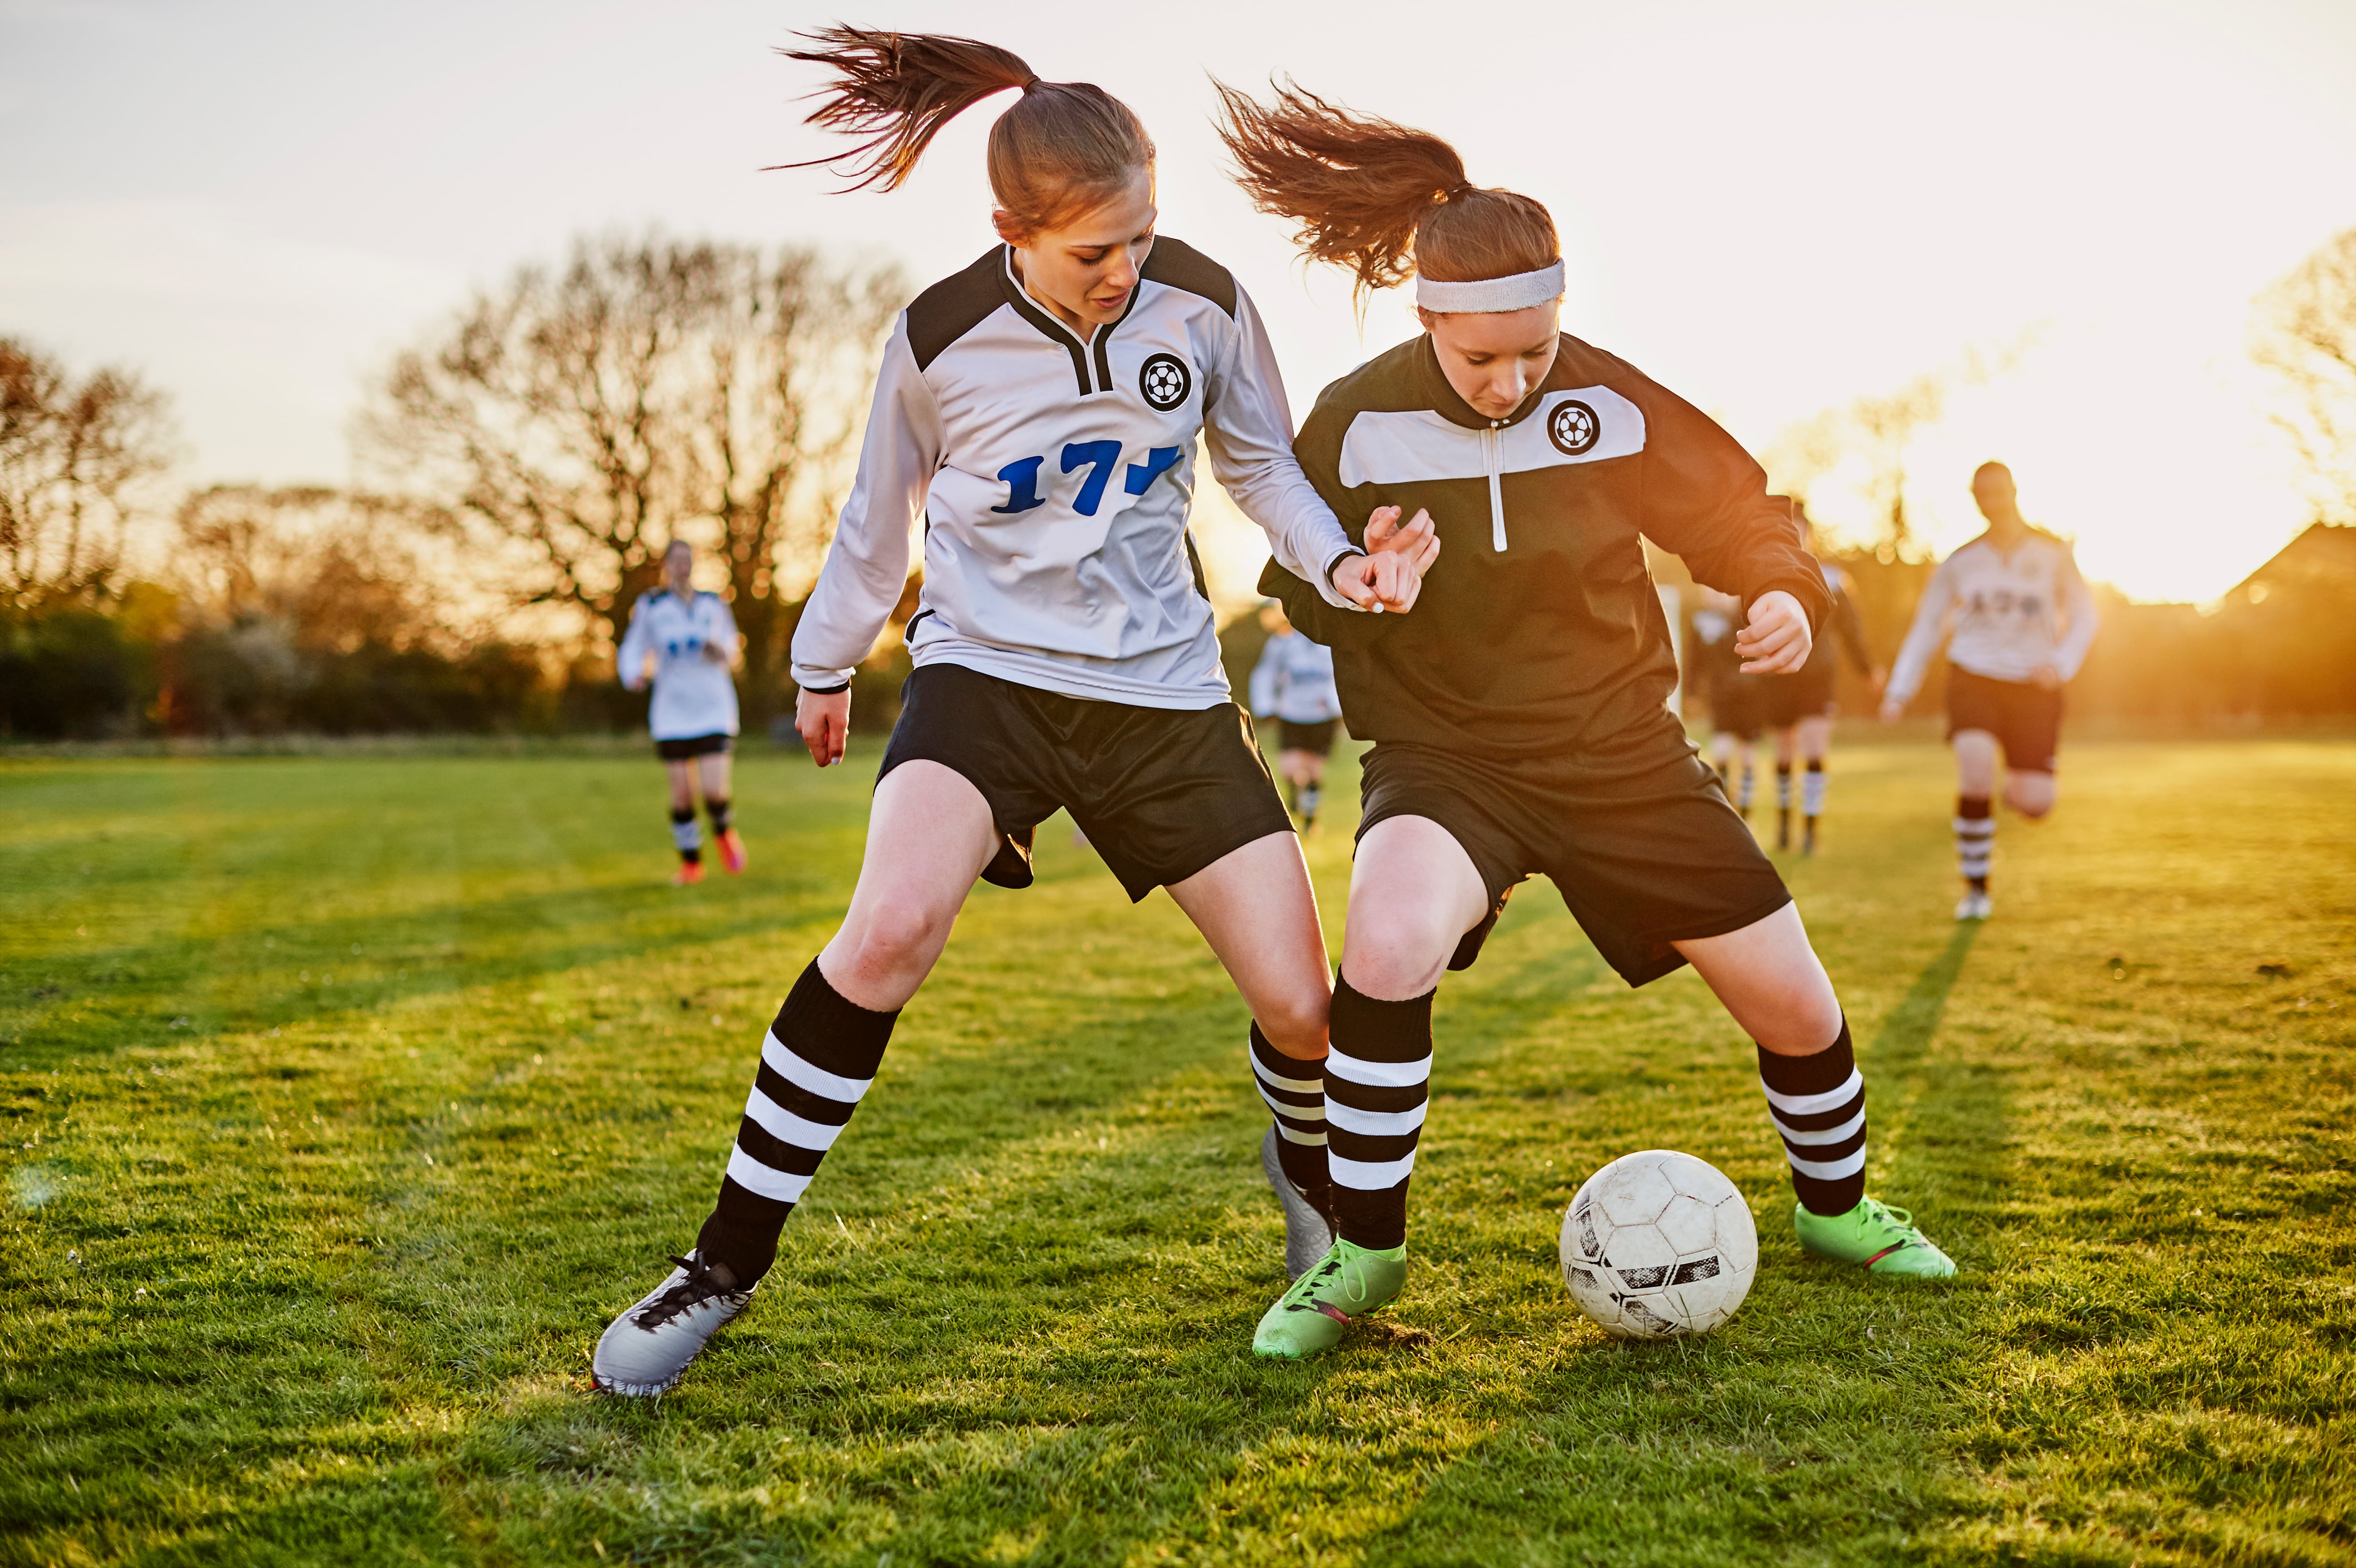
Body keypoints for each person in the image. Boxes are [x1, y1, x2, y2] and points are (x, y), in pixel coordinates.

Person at [591, 31, 1438, 1396]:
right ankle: (721, 1269)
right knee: (887, 934)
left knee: (1301, 1008)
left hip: (1164, 694)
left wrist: (1339, 560)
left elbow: (1263, 467)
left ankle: (1318, 1238)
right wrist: (824, 665)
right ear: (1010, 233)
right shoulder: (937, 335)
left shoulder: (1205, 304)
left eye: (1143, 236)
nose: (1126, 270)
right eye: (1096, 249)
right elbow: (876, 527)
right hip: (986, 678)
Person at [1215, 81, 1959, 1360]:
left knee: (1794, 1003)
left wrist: (1784, 591)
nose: (1509, 382)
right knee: (1385, 948)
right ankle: (1362, 1257)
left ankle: (1839, 1212)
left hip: (1622, 755)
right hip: (1450, 760)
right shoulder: (1358, 418)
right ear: (1429, 318)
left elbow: (1741, 515)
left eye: (1534, 351)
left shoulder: (1609, 401)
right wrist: (1364, 584)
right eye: (1479, 356)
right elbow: (1297, 580)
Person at [1880, 461, 2098, 920]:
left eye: (1997, 491)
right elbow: (1926, 627)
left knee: (2034, 804)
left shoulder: (2053, 552)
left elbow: (2085, 614)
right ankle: (1975, 890)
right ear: (1973, 499)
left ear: (2013, 491)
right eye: (1981, 494)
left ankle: (2012, 784)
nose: (1990, 501)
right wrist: (1899, 690)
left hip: (2033, 685)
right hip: (1972, 676)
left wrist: (2060, 665)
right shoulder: (1959, 562)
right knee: (1974, 771)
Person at [617, 539, 747, 886]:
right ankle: (691, 864)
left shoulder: (712, 602)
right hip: (672, 711)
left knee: (714, 790)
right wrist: (634, 674)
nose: (682, 566)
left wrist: (721, 650)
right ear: (665, 565)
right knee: (683, 795)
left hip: (713, 707)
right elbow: (634, 647)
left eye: (688, 559)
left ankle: (724, 833)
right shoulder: (651, 605)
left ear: (694, 563)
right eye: (676, 560)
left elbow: (733, 646)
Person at [1759, 501, 1880, 854]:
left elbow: (1851, 631)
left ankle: (1810, 831)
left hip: (1817, 677)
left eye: (1801, 529)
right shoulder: (1764, 577)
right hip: (1777, 675)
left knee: (1813, 750)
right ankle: (1784, 826)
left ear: (1810, 534)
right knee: (1783, 751)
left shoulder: (1833, 579)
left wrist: (1869, 670)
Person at [1248, 602, 1343, 830]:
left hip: (1322, 715)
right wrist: (1266, 706)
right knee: (1290, 768)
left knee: (1313, 771)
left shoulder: (1330, 643)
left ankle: (1310, 820)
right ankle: (1294, 799)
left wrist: (1338, 707)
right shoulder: (1282, 643)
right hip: (1291, 713)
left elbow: (1341, 676)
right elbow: (1265, 673)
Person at [1692, 588, 1763, 817]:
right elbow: (1696, 659)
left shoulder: (1746, 618)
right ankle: (1729, 806)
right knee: (1721, 751)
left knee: (1748, 754)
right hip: (1721, 696)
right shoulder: (1701, 621)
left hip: (1749, 695)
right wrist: (1692, 692)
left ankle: (1746, 810)